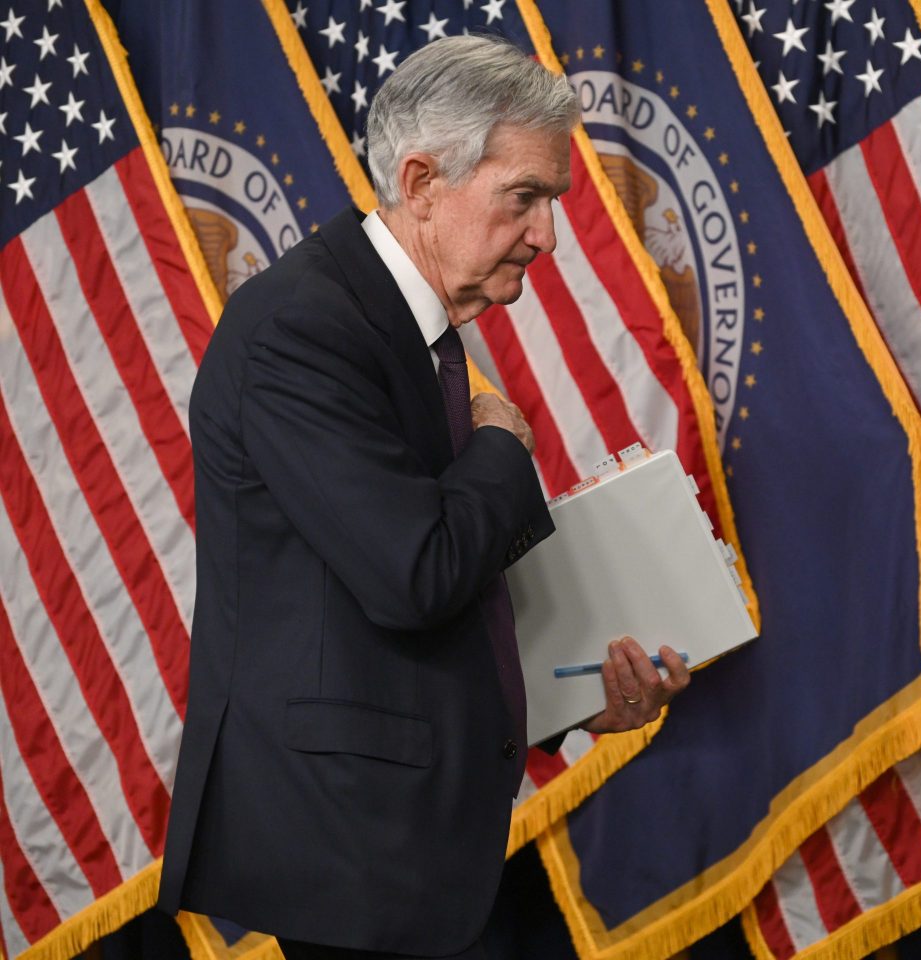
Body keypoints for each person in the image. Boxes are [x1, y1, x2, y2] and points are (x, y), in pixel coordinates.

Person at [157, 35, 690, 959]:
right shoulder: (301, 327)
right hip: (352, 851)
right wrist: (502, 443)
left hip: (411, 842)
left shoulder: (398, 322)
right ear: (421, 181)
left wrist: (568, 697)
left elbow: (416, 587)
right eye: (524, 196)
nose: (548, 235)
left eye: (554, 201)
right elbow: (416, 573)